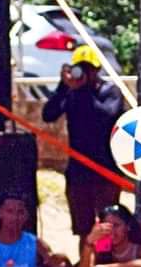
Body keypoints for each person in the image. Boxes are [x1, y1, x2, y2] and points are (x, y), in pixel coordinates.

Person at [42, 52, 124, 237]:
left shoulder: (110, 92)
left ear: (97, 70)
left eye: (89, 69)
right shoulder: (71, 92)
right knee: (83, 230)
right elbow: (48, 114)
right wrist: (63, 86)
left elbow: (106, 115)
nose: (84, 73)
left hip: (105, 168)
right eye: (81, 68)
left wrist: (82, 91)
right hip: (78, 170)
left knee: (107, 227)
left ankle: (105, 255)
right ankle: (85, 255)